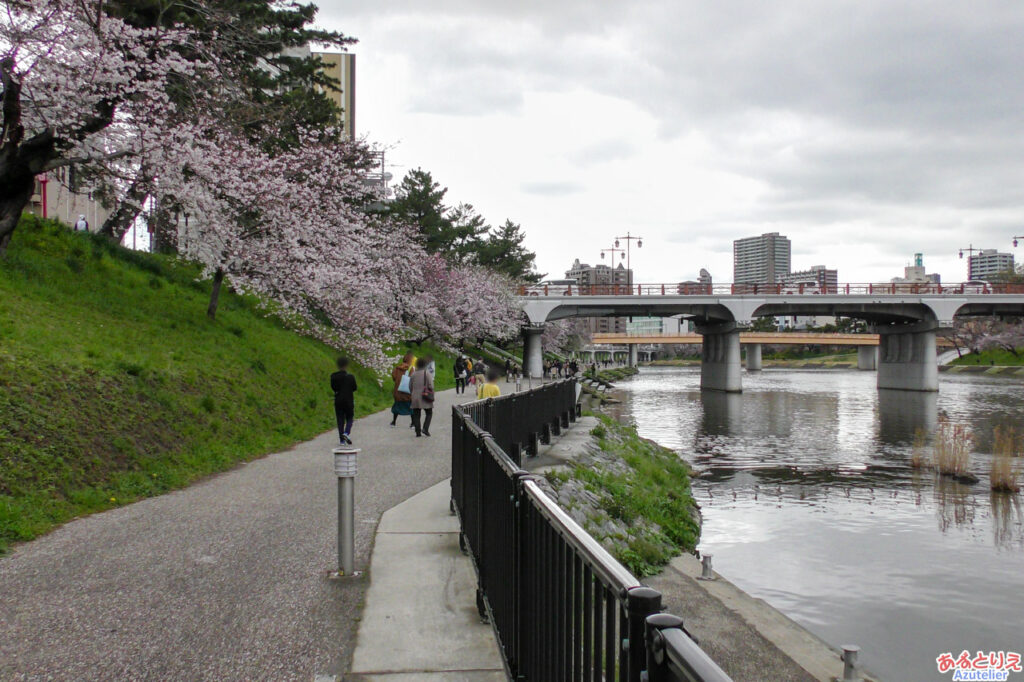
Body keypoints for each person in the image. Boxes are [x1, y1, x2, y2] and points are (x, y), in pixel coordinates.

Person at [330, 357, 357, 445]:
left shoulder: (333, 376)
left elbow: (333, 387)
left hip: (338, 400)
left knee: (340, 419)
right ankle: (346, 432)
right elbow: (354, 388)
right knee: (349, 417)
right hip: (348, 400)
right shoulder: (350, 377)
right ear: (346, 365)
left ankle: (341, 440)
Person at [410, 358, 435, 437]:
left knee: (416, 414)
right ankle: (425, 428)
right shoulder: (426, 373)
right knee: (429, 413)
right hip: (425, 396)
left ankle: (418, 432)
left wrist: (413, 393)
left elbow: (410, 386)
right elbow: (431, 385)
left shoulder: (413, 374)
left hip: (415, 397)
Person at [390, 352, 414, 427]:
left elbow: (394, 377)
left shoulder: (397, 368)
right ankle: (413, 423)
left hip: (398, 391)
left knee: (397, 406)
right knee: (410, 407)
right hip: (407, 392)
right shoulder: (411, 368)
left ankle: (394, 422)